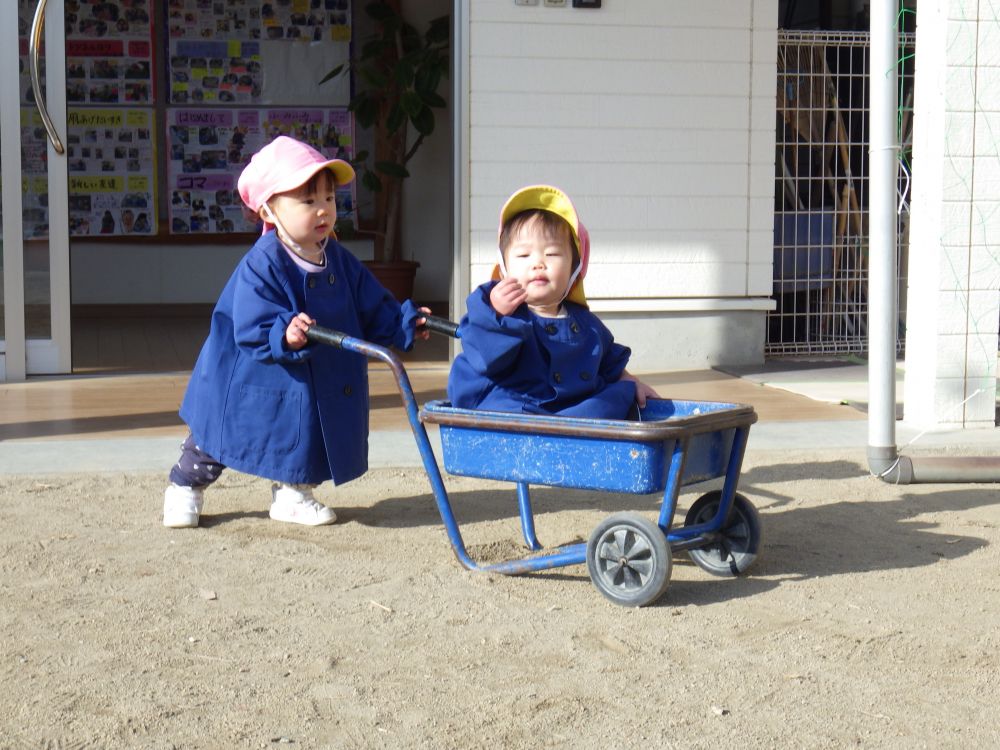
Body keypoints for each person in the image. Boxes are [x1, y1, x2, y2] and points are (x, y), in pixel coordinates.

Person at [163, 135, 429, 529]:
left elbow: (372, 304)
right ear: (270, 207)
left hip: (308, 377)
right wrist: (281, 333)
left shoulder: (337, 257)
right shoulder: (263, 263)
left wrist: (402, 323)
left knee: (307, 435)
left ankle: (292, 493)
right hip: (249, 374)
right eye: (308, 201)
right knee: (218, 436)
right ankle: (184, 486)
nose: (323, 210)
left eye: (329, 199)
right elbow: (250, 323)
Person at [447, 184, 659, 420]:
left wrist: (631, 382)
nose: (538, 263)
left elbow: (608, 363)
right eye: (524, 255)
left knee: (616, 396)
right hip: (513, 405)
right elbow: (483, 355)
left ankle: (580, 432)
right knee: (499, 409)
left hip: (573, 410)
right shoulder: (492, 306)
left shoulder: (585, 323)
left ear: (574, 269)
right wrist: (497, 316)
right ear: (504, 268)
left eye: (552, 254)